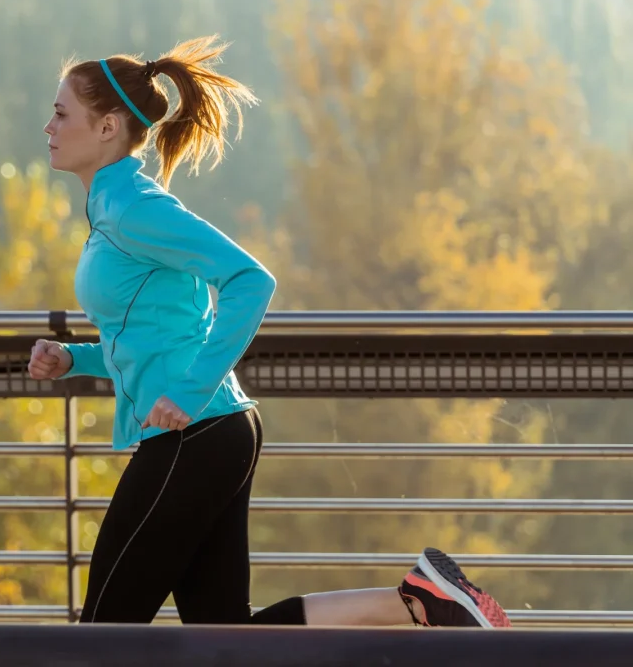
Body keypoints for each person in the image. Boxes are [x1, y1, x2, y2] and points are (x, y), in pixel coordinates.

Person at [27, 35, 510, 629]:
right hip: (211, 430)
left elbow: (250, 280)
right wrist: (75, 360)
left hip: (194, 434)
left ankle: (423, 600)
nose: (47, 126)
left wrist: (189, 392)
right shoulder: (112, 206)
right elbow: (154, 337)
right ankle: (418, 601)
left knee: (102, 634)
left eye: (59, 112)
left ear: (107, 128)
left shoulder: (134, 207)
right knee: (226, 636)